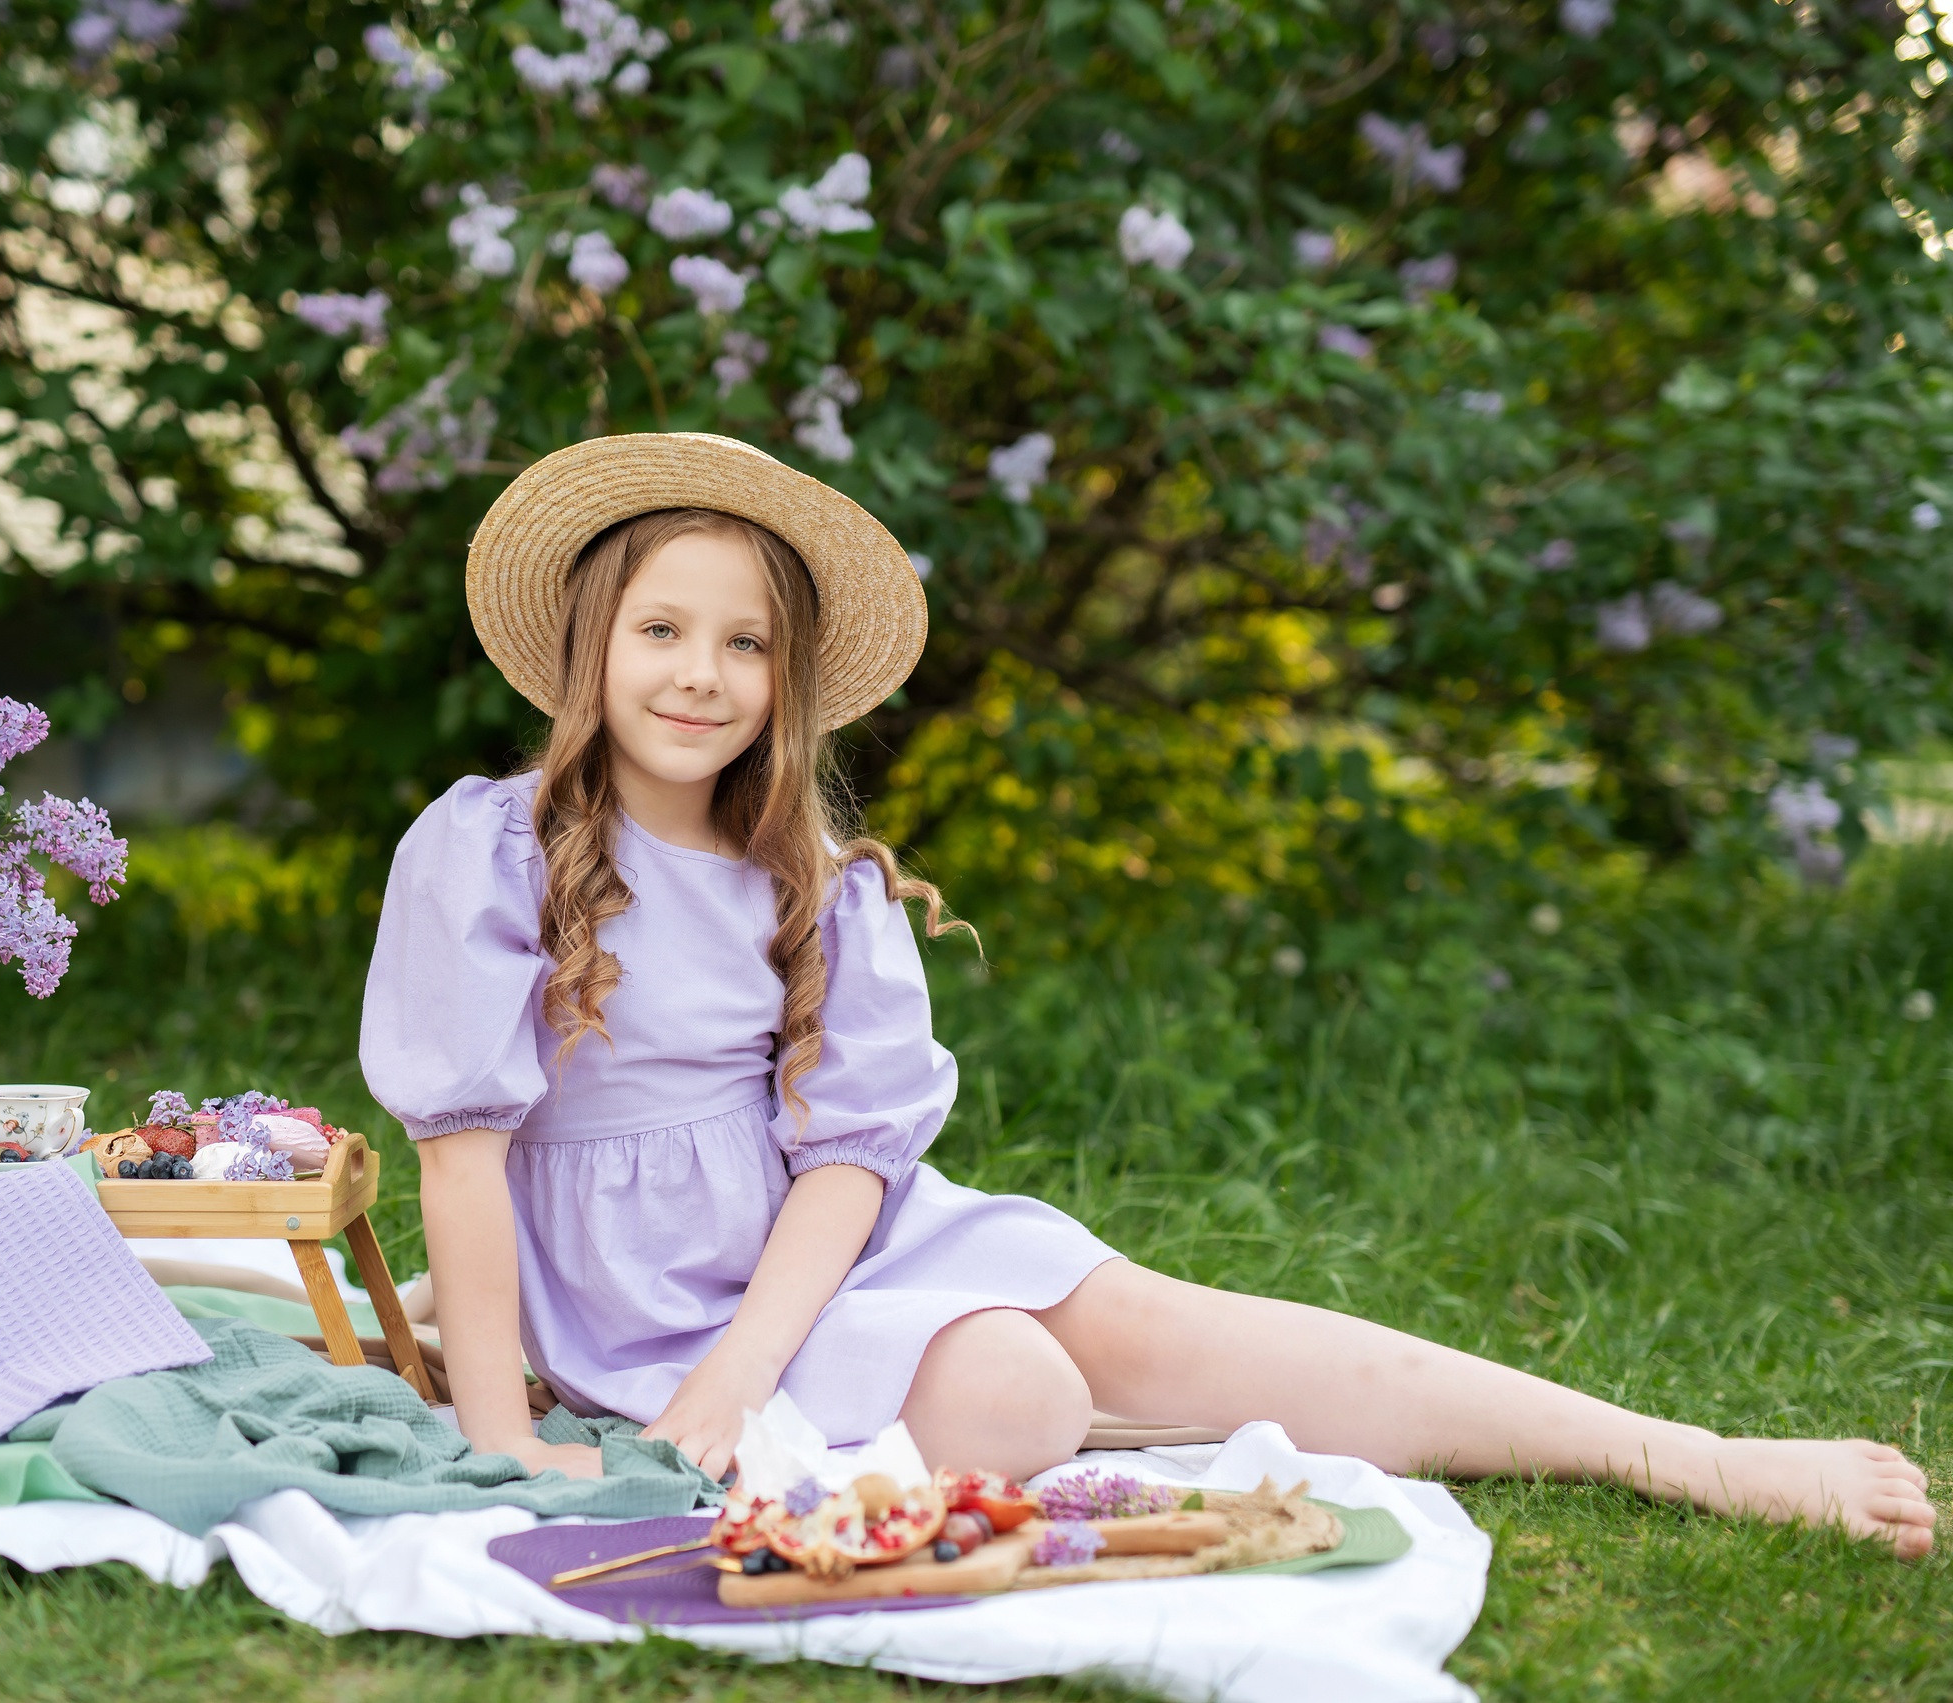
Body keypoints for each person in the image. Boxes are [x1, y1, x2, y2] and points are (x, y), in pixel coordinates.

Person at [358, 433, 1935, 1561]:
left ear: (789, 676)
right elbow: (464, 1157)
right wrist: (501, 1430)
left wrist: (741, 1376)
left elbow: (846, 1157)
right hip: (634, 1296)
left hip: (821, 1254)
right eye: (660, 630)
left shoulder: (816, 882)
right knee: (1020, 1399)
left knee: (1176, 1326)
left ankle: (1687, 1456)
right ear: (591, 643)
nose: (701, 674)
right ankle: (1115, 1430)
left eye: (745, 642)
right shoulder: (492, 852)